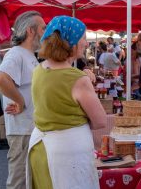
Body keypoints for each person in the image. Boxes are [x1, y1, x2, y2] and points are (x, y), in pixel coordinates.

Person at [27, 16, 107, 188]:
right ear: (71, 42)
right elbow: (100, 121)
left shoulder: (38, 70)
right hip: (67, 155)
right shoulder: (78, 79)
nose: (85, 43)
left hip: (40, 149)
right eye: (83, 38)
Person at [0, 11, 46, 189]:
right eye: (42, 28)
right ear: (31, 31)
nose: (45, 32)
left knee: (27, 179)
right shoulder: (16, 53)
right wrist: (20, 101)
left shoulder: (28, 55)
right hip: (22, 130)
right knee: (19, 181)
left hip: (29, 129)